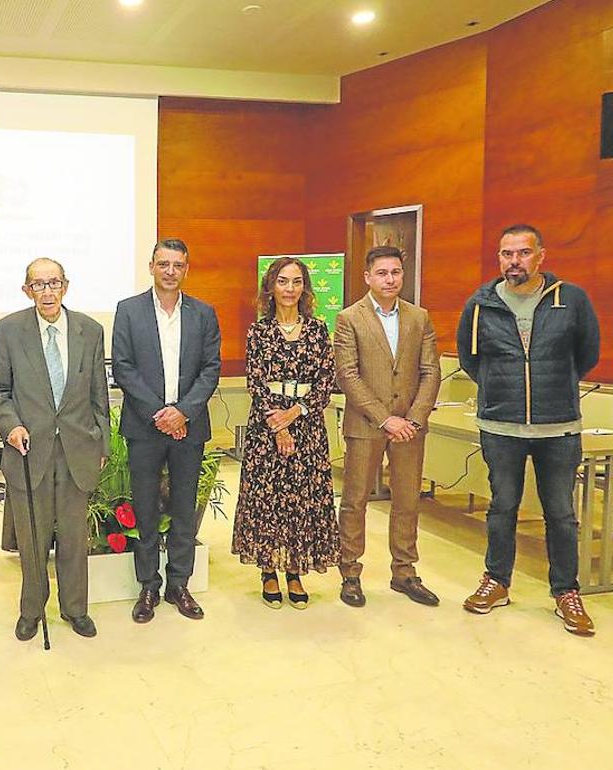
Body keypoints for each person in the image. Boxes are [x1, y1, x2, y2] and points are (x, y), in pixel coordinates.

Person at [457, 224, 601, 636]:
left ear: (541, 256)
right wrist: (500, 391)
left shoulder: (570, 300)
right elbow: (470, 358)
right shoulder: (481, 303)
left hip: (558, 426)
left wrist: (549, 388)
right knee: (502, 507)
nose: (513, 261)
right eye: (506, 254)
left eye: (522, 253)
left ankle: (565, 593)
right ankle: (497, 581)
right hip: (500, 425)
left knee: (561, 513)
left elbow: (587, 353)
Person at [0, 258, 110, 640]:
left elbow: (98, 395)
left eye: (53, 283)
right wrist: (10, 426)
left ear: (66, 286)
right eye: (38, 285)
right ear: (27, 290)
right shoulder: (9, 330)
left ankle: (75, 609)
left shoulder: (90, 330)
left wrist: (101, 440)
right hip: (29, 451)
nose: (47, 292)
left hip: (77, 449)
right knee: (33, 537)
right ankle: (31, 610)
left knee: (74, 538)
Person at [111, 238, 221, 623]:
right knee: (144, 509)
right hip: (145, 426)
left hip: (188, 429)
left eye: (178, 265)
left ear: (186, 269)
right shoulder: (129, 310)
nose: (170, 271)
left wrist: (183, 413)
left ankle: (179, 584)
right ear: (151, 266)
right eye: (164, 264)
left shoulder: (204, 314)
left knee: (183, 510)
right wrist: (160, 413)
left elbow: (211, 369)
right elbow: (123, 367)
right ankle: (147, 586)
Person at [333, 246, 441, 608]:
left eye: (395, 272)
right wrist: (385, 418)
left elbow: (430, 371)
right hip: (367, 424)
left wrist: (414, 418)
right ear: (368, 277)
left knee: (407, 501)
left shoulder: (419, 317)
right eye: (382, 273)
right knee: (355, 501)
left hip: (410, 427)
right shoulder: (350, 318)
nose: (390, 279)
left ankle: (405, 573)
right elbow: (348, 375)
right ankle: (350, 573)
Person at [231, 256, 339, 608]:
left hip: (308, 428)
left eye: (296, 282)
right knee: (269, 500)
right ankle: (268, 569)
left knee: (301, 500)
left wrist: (295, 413)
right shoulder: (258, 331)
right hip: (266, 430)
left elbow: (326, 380)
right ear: (270, 287)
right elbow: (256, 382)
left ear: (304, 287)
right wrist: (277, 425)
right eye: (282, 281)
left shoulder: (319, 330)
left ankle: (294, 569)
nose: (289, 289)